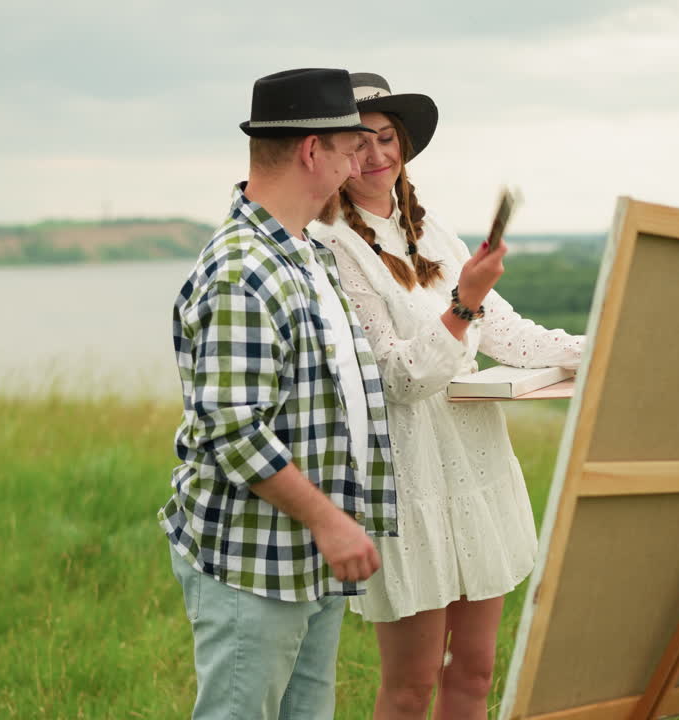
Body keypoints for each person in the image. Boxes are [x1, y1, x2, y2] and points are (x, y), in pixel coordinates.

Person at [309, 72, 585, 720]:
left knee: (477, 671)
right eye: (358, 143)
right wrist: (464, 300)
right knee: (410, 688)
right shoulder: (333, 249)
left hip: (476, 471)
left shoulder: (433, 232)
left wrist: (594, 348)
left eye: (386, 139)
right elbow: (399, 381)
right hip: (408, 486)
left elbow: (505, 331)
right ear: (333, 155)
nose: (375, 156)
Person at [158, 68, 399, 720]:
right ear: (311, 150)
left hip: (310, 560)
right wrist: (330, 521)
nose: (358, 165)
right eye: (351, 149)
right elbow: (233, 429)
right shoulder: (244, 268)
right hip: (255, 562)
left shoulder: (308, 254)